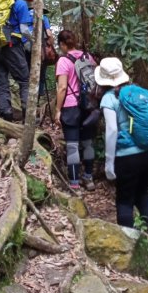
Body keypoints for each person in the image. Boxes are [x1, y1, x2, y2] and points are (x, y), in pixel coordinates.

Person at [94, 57, 148, 248]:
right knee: (142, 193)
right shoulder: (139, 92)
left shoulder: (109, 98)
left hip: (128, 157)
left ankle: (128, 245)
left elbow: (111, 131)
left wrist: (109, 163)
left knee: (125, 199)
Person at [55, 30, 97, 191]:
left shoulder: (64, 61)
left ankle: (74, 183)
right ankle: (88, 178)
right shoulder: (88, 57)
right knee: (88, 143)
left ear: (63, 45)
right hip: (89, 105)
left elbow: (62, 87)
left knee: (72, 146)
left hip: (71, 106)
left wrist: (58, 110)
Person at [0, 0, 33, 122]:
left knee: (1, 81)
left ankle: (5, 115)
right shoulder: (20, 3)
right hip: (12, 45)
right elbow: (25, 30)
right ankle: (28, 117)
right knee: (24, 81)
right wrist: (32, 46)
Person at [25, 5, 55, 97]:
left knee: (28, 68)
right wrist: (51, 45)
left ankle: (27, 93)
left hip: (26, 45)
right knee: (42, 70)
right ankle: (40, 93)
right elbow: (49, 33)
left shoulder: (26, 16)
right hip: (39, 46)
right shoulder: (43, 17)